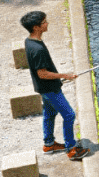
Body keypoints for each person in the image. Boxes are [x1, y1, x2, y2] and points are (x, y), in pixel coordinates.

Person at [22, 10, 87, 160]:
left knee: (49, 114)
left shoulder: (30, 41)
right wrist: (66, 76)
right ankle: (71, 149)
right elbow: (42, 74)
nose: (47, 23)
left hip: (43, 88)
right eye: (44, 22)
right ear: (36, 27)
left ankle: (49, 144)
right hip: (50, 89)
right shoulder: (37, 49)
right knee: (69, 115)